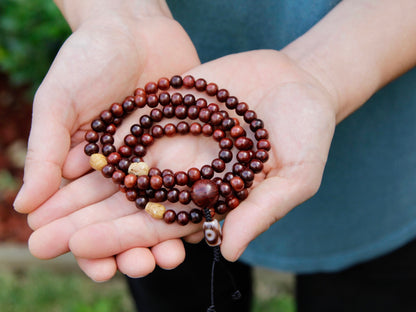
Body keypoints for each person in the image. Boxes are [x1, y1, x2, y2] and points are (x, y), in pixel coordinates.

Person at [14, 0, 416, 311]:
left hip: (379, 157)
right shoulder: (152, 173)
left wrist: (325, 72)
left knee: (366, 292)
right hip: (151, 76)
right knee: (174, 286)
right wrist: (120, 13)